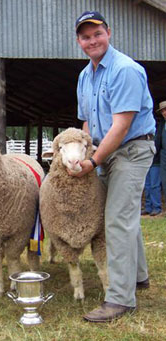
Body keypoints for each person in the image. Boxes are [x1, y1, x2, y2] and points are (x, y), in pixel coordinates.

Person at [74, 11, 156, 322]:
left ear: (109, 32)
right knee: (122, 213)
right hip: (106, 151)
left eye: (97, 33)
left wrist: (93, 161)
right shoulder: (85, 75)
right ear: (79, 41)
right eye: (85, 36)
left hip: (132, 149)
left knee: (117, 219)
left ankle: (121, 299)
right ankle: (138, 277)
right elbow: (87, 121)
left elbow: (121, 126)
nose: (92, 40)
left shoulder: (125, 70)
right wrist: (83, 152)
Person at [141, 117, 162, 216]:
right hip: (145, 161)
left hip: (155, 161)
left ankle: (156, 207)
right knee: (147, 185)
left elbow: (158, 146)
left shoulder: (159, 131)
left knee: (154, 185)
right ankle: (148, 207)